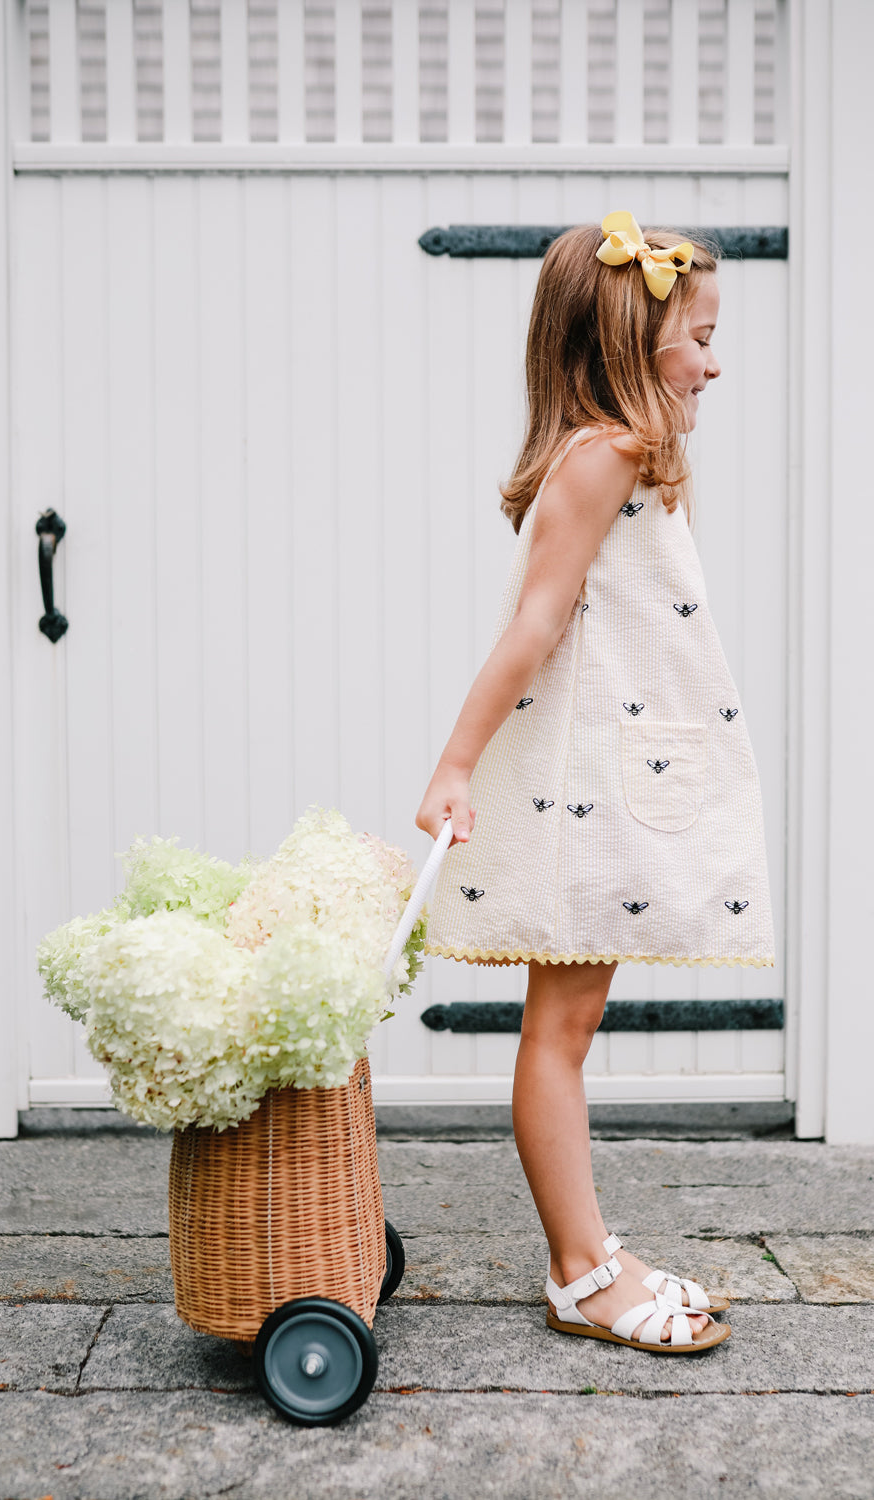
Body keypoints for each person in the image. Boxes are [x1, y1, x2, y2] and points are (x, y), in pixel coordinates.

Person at [415, 211, 775, 1354]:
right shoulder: (607, 452)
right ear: (630, 338)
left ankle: (589, 1255)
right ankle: (581, 1271)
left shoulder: (623, 449)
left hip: (612, 772)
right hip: (584, 787)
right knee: (556, 1035)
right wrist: (455, 764)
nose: (714, 362)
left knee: (560, 1030)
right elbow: (534, 628)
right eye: (698, 339)